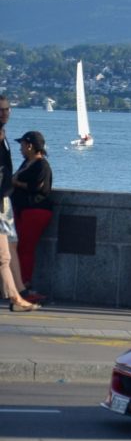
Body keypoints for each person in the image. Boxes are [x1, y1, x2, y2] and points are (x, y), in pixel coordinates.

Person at [0, 97, 39, 312]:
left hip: (5, 201)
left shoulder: (3, 136)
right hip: (1, 201)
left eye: (6, 110)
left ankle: (16, 297)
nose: (4, 113)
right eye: (0, 110)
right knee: (3, 255)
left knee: (5, 255)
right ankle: (16, 298)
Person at [11, 131, 53, 292]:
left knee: (25, 247)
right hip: (23, 208)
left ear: (30, 146)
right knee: (17, 247)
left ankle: (25, 282)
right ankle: (17, 282)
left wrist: (16, 183)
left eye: (22, 145)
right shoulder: (26, 163)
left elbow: (39, 188)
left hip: (36, 210)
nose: (20, 149)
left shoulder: (42, 165)